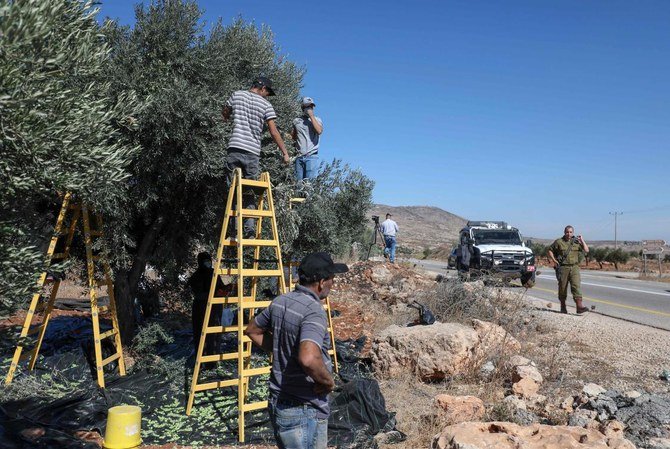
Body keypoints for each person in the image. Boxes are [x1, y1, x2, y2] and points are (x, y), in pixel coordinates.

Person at [245, 252, 348, 449]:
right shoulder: (313, 311)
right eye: (331, 279)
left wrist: (281, 348)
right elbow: (309, 358)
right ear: (321, 282)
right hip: (303, 410)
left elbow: (253, 330)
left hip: (279, 403)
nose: (333, 284)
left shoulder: (281, 301)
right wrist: (327, 382)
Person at [222, 76, 290, 238]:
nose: (267, 96)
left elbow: (225, 113)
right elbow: (274, 132)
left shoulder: (236, 95)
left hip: (234, 148)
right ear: (262, 88)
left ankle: (233, 232)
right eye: (268, 92)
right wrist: (285, 152)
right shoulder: (266, 105)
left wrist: (226, 119)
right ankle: (250, 231)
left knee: (232, 190)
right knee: (250, 192)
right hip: (252, 153)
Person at [547, 226, 590, 314]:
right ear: (564, 232)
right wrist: (554, 260)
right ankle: (563, 307)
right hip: (563, 267)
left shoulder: (577, 242)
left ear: (573, 233)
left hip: (574, 267)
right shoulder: (559, 242)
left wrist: (582, 240)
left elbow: (586, 250)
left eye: (570, 232)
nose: (569, 234)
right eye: (567, 232)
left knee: (576, 286)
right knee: (562, 287)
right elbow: (549, 250)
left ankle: (579, 307)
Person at [292, 96, 323, 181]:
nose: (310, 108)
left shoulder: (317, 120)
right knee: (298, 185)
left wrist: (311, 117)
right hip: (299, 157)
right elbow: (294, 136)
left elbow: (319, 131)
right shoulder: (296, 121)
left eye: (311, 106)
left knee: (309, 185)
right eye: (307, 106)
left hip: (311, 156)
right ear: (303, 107)